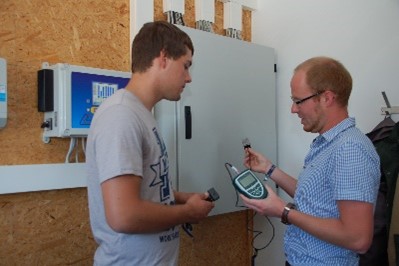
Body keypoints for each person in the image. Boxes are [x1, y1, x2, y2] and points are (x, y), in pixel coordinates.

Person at [86, 21, 215, 265]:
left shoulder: (142, 114)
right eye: (185, 66)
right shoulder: (120, 116)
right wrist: (188, 213)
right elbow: (124, 216)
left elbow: (144, 187)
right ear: (163, 57)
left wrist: (180, 198)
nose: (188, 78)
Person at [242, 56, 380, 265]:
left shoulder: (350, 149)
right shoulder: (327, 143)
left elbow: (357, 238)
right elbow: (314, 199)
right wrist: (269, 169)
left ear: (327, 98)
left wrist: (283, 211)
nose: (293, 109)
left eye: (298, 101)